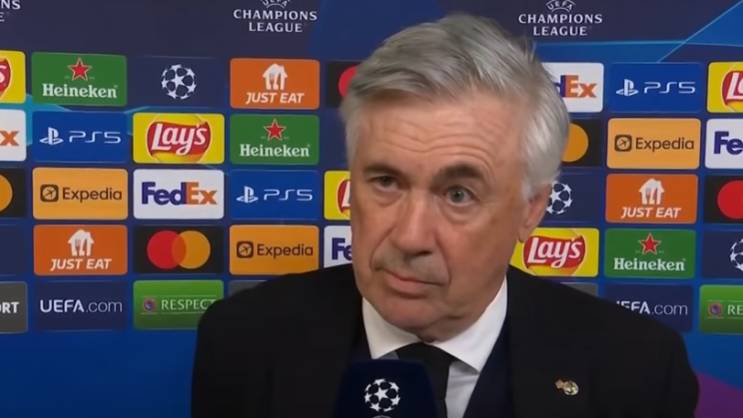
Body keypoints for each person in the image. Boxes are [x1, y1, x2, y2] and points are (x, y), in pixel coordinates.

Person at [192, 14, 698, 418]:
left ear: (531, 210)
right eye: (386, 181)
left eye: (458, 194)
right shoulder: (244, 342)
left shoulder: (639, 370)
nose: (410, 237)